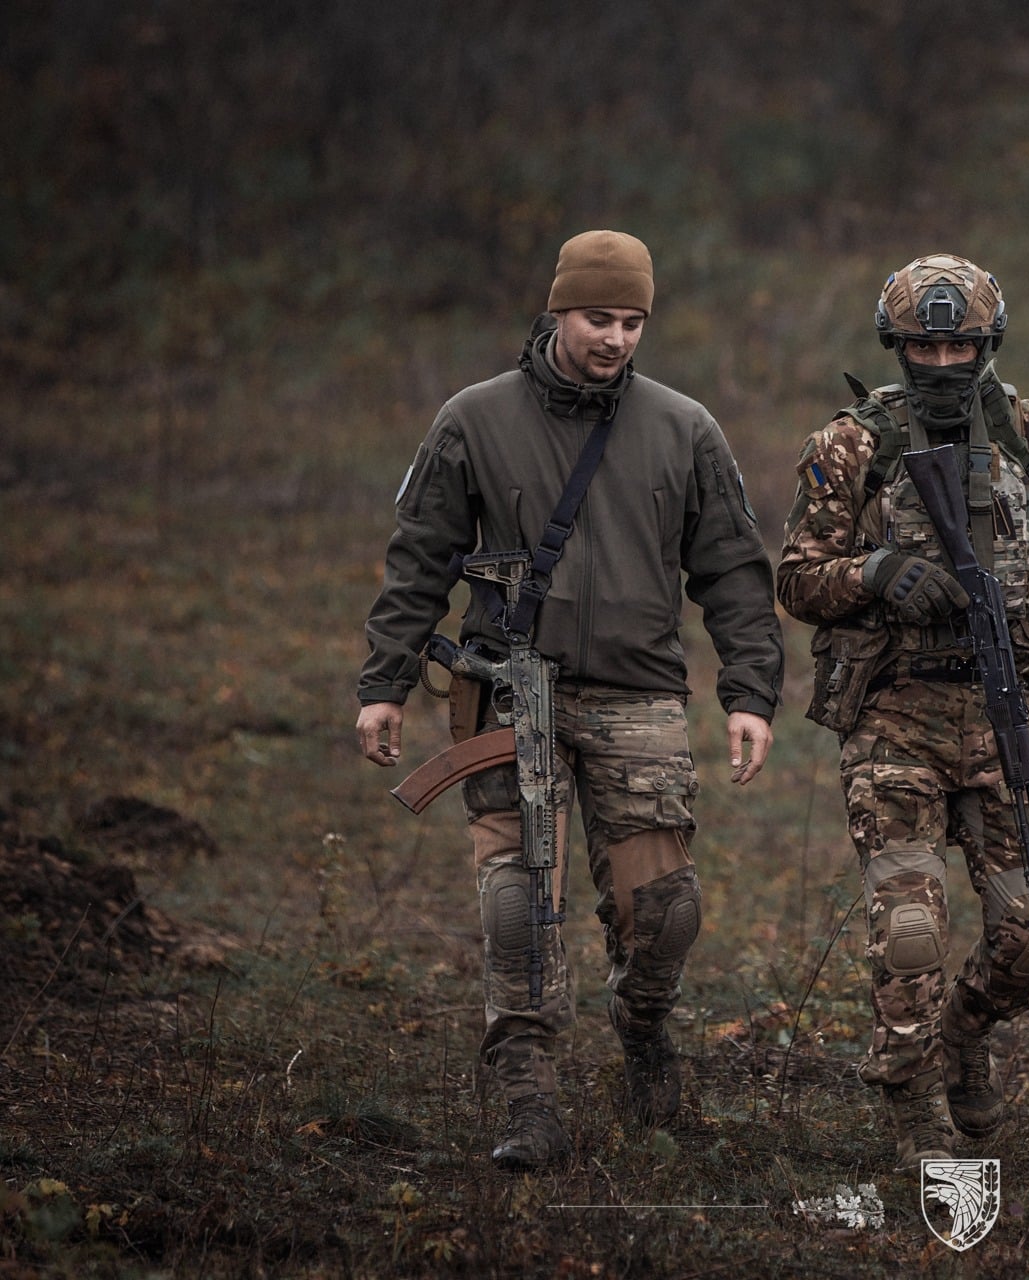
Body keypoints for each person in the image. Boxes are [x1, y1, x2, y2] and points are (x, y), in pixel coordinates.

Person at [355, 230, 783, 1170]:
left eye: (633, 322)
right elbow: (418, 559)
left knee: (664, 908)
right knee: (518, 905)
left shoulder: (685, 428)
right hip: (511, 695)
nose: (616, 338)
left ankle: (643, 1027)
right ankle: (527, 1097)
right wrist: (385, 685)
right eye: (599, 318)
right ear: (557, 312)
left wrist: (749, 691)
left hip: (642, 693)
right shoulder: (473, 419)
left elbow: (735, 573)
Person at [777, 254, 1029, 1170]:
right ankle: (909, 1105)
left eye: (960, 344)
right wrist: (875, 573)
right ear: (896, 347)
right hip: (895, 717)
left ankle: (962, 1039)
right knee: (909, 932)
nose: (942, 361)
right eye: (924, 344)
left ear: (989, 344)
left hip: (1007, 719)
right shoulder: (852, 444)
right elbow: (795, 576)